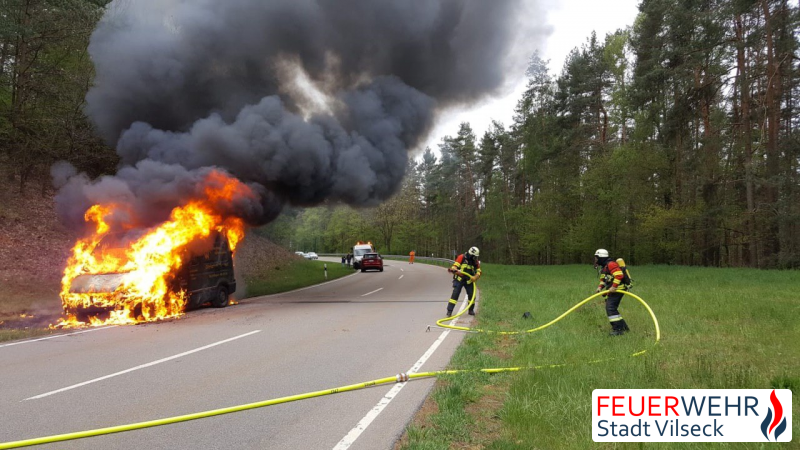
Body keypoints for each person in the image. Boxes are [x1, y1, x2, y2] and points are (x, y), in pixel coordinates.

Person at [594, 248, 631, 336]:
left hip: (619, 289)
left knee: (610, 308)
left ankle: (618, 330)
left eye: (596, 257)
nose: (595, 260)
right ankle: (624, 328)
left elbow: (619, 275)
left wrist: (614, 287)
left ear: (601, 257)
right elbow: (603, 279)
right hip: (613, 289)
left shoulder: (611, 264)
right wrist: (600, 287)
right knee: (612, 308)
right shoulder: (604, 267)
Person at [446, 246, 482, 317]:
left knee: (472, 295)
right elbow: (454, 267)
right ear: (471, 254)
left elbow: (479, 271)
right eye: (474, 256)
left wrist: (475, 277)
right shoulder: (461, 257)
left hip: (469, 280)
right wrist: (457, 271)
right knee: (455, 294)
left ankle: (471, 310)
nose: (476, 258)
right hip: (459, 279)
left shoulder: (475, 261)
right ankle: (449, 311)